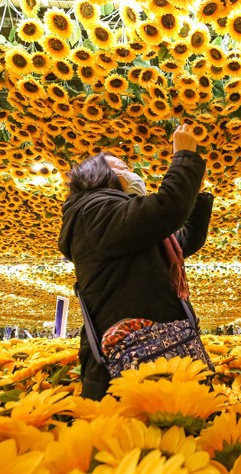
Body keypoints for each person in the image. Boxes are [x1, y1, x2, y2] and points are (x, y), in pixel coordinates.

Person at [58, 122, 214, 400]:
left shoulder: (118, 221)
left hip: (152, 349)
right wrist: (183, 158)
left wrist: (197, 193)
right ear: (97, 174)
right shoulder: (92, 211)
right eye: (122, 166)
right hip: (129, 359)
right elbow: (167, 208)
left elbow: (185, 239)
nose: (132, 172)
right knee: (133, 423)